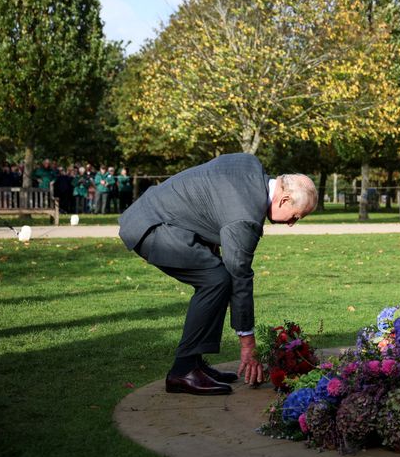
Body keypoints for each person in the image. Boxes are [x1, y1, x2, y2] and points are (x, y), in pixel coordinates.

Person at [118, 153, 317, 395]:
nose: (292, 224)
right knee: (217, 280)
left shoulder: (249, 164)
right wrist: (248, 344)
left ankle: (194, 364)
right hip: (153, 229)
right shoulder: (245, 217)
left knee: (217, 279)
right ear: (284, 199)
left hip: (155, 215)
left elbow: (211, 199)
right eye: (296, 216)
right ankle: (183, 371)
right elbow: (240, 276)